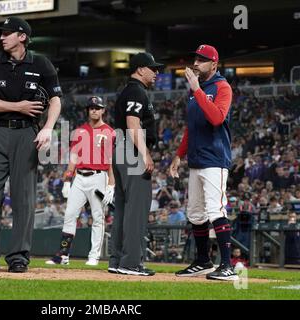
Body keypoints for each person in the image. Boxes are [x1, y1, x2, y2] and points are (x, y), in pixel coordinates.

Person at [0, 17, 62, 273]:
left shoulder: (41, 63)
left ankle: (19, 256)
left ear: (22, 36)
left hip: (27, 134)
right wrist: (17, 106)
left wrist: (48, 128)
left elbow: (55, 99)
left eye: (7, 33)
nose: (2, 37)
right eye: (1, 33)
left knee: (23, 199)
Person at [170, 44, 238, 281]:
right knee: (196, 213)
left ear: (214, 64)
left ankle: (228, 265)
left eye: (202, 60)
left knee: (215, 209)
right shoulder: (195, 90)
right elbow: (192, 127)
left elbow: (217, 118)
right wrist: (179, 154)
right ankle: (202, 261)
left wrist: (197, 90)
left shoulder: (222, 86)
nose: (196, 63)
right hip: (196, 159)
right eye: (195, 59)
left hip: (215, 158)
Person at [109, 52, 163, 276]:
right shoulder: (136, 91)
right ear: (140, 69)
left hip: (121, 150)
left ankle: (117, 259)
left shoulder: (129, 90)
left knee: (123, 209)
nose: (156, 72)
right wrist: (145, 154)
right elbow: (133, 123)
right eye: (153, 68)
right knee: (136, 210)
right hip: (131, 151)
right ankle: (131, 262)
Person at [45, 96, 115, 266]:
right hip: (80, 177)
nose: (94, 110)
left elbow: (111, 159)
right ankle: (63, 255)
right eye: (91, 108)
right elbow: (74, 157)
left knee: (98, 217)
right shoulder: (79, 131)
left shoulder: (109, 131)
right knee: (69, 215)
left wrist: (111, 184)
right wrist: (68, 179)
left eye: (97, 108)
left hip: (99, 176)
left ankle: (94, 256)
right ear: (87, 110)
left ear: (103, 110)